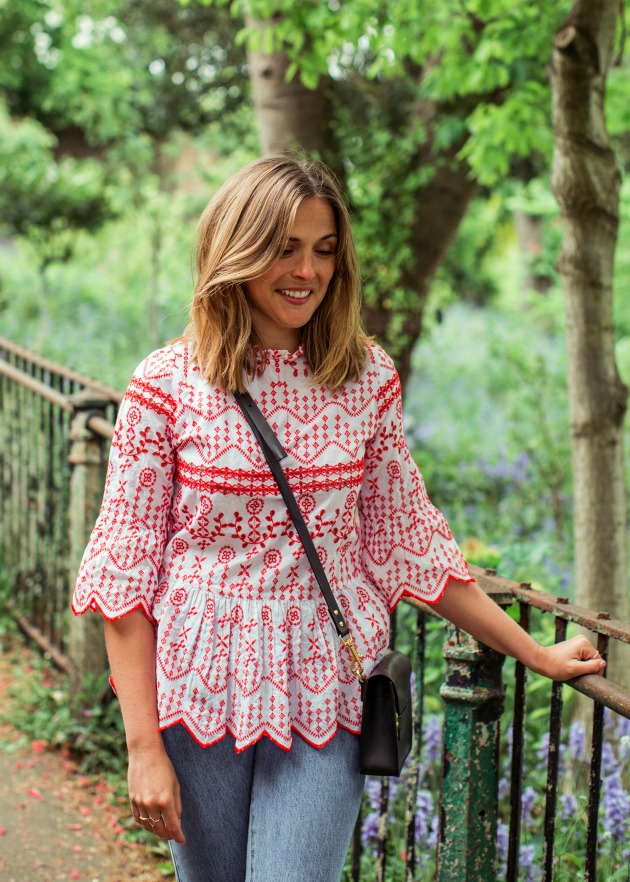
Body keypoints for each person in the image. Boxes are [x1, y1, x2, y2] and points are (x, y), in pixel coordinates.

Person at [71, 154, 605, 882]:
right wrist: (142, 749)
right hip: (196, 690)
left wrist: (535, 653)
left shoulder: (366, 378)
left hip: (327, 687)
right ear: (236, 248)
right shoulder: (164, 386)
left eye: (324, 250)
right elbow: (124, 574)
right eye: (285, 247)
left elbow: (408, 538)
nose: (307, 270)